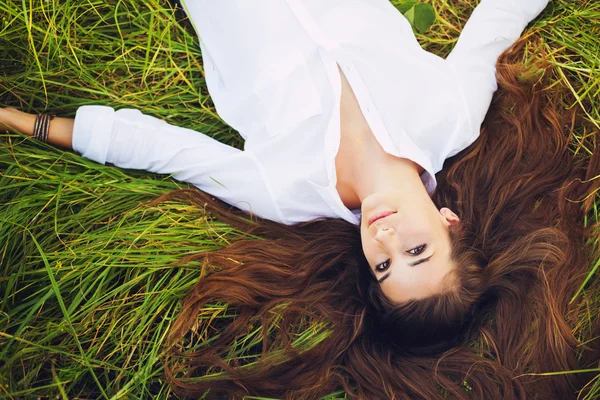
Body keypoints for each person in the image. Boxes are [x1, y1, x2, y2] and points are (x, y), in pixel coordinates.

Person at [1, 0, 599, 398]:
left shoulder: (285, 192)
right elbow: (499, 18)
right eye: (417, 249)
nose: (385, 239)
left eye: (384, 266)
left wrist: (26, 122)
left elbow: (165, 150)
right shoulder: (452, 119)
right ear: (450, 222)